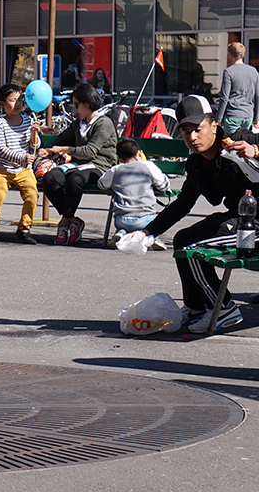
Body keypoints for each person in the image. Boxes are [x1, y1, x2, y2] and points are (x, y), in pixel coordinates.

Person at [122, 95, 259, 333]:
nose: (192, 138)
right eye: (186, 132)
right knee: (181, 240)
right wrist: (147, 232)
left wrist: (255, 150)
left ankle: (223, 308)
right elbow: (182, 203)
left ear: (214, 125)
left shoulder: (239, 141)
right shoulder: (196, 164)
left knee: (192, 246)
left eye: (197, 129)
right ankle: (196, 307)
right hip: (240, 220)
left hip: (254, 225)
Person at [37, 82, 117, 245]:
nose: (75, 109)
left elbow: (90, 151)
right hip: (79, 166)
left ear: (87, 104)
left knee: (75, 179)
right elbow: (61, 137)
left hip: (100, 166)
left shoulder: (103, 123)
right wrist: (49, 149)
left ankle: (64, 223)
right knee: (49, 178)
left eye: (77, 105)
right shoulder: (78, 123)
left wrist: (63, 149)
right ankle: (73, 220)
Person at [0, 84, 41, 244]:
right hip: (2, 169)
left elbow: (35, 145)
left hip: (23, 169)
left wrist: (34, 133)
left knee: (32, 195)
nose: (18, 104)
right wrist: (23, 157)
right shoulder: (0, 123)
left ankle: (24, 228)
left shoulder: (28, 120)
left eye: (20, 99)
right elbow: (1, 149)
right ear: (2, 104)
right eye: (13, 100)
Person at [97, 138, 170, 249]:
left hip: (121, 219)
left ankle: (121, 232)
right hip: (145, 218)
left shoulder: (115, 170)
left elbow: (101, 184)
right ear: (138, 153)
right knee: (150, 228)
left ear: (120, 159)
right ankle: (152, 238)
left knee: (124, 225)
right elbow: (164, 185)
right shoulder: (148, 166)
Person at [214, 42, 259, 135]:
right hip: (248, 116)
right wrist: (256, 117)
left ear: (231, 56)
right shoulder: (253, 71)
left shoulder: (229, 71)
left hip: (233, 115)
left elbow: (224, 97)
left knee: (232, 146)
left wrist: (218, 119)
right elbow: (257, 95)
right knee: (244, 145)